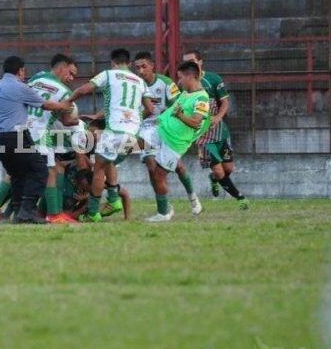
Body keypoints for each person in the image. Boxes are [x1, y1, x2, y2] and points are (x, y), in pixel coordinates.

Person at [68, 49, 152, 222]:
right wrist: (134, 119)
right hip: (133, 134)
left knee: (99, 167)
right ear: (128, 64)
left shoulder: (108, 74)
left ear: (113, 62)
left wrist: (67, 101)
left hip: (114, 130)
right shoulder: (140, 81)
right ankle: (113, 198)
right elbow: (150, 109)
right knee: (109, 161)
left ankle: (94, 212)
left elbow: (84, 90)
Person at [0, 55, 71, 224]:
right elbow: (45, 104)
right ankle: (28, 210)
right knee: (41, 170)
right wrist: (64, 105)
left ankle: (17, 210)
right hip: (13, 136)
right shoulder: (20, 86)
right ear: (20, 70)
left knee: (17, 174)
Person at [139, 61, 211, 222]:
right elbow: (172, 110)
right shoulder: (186, 94)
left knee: (159, 174)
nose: (178, 82)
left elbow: (195, 122)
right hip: (161, 131)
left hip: (175, 142)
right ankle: (165, 208)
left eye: (180, 78)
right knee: (141, 147)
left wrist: (180, 116)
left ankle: (164, 213)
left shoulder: (202, 99)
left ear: (190, 76)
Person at [182, 50, 249, 210]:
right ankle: (240, 198)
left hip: (220, 132)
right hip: (202, 137)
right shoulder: (184, 84)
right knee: (220, 172)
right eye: (185, 62)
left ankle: (214, 179)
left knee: (228, 169)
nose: (189, 65)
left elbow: (225, 102)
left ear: (200, 62)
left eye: (192, 61)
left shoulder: (213, 79)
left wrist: (218, 116)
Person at [25, 54, 80, 224]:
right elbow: (66, 120)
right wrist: (77, 120)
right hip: (40, 132)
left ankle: (16, 211)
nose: (71, 78)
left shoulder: (35, 79)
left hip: (20, 129)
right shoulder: (66, 93)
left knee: (26, 174)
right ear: (61, 67)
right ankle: (54, 214)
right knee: (50, 172)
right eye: (70, 73)